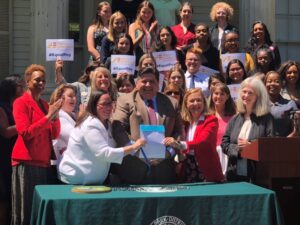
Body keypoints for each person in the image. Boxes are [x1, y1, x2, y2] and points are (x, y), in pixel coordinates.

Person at [111, 67, 182, 184]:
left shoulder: (172, 103)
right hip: (134, 167)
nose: (148, 85)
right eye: (144, 81)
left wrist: (169, 151)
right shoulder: (125, 100)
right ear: (137, 83)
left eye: (152, 81)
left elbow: (178, 132)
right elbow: (118, 128)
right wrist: (133, 149)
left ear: (158, 84)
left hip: (163, 168)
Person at [11, 64, 63, 225]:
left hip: (43, 162)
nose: (41, 83)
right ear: (28, 82)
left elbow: (54, 134)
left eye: (43, 81)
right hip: (26, 162)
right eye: (37, 80)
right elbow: (25, 132)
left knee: (38, 210)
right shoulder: (20, 103)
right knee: (25, 210)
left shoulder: (45, 105)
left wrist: (54, 117)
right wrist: (48, 117)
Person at [58, 91, 146, 185]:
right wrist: (134, 147)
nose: (109, 107)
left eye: (110, 103)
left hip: (92, 182)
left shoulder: (107, 124)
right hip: (75, 180)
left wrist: (136, 146)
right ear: (94, 105)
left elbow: (113, 148)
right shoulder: (90, 124)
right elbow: (104, 153)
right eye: (104, 104)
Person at [164, 88, 224, 182]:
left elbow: (203, 141)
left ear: (204, 102)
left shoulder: (211, 120)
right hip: (187, 166)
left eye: (199, 100)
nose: (196, 103)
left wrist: (179, 144)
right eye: (192, 101)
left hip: (205, 169)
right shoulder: (185, 123)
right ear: (186, 104)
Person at [221, 77, 273, 182]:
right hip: (233, 173)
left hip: (257, 174)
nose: (246, 95)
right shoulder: (235, 118)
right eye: (244, 92)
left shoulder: (267, 118)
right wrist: (238, 149)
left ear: (258, 96)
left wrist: (250, 147)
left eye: (250, 93)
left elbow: (271, 144)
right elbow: (224, 143)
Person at [0, 75, 25, 225]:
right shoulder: (1, 107)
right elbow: (6, 132)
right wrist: (25, 123)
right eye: (19, 85)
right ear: (10, 88)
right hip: (3, 156)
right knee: (3, 198)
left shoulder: (16, 105)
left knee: (11, 197)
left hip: (13, 156)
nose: (23, 87)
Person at [208, 83, 236, 175]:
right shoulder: (206, 115)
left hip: (227, 156)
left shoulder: (234, 116)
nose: (218, 96)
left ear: (227, 96)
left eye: (222, 94)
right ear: (212, 95)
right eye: (216, 93)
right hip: (210, 155)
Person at [264, 71, 299, 137]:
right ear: (264, 84)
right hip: (260, 145)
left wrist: (283, 143)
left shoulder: (290, 104)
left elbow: (296, 131)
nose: (272, 84)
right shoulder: (258, 104)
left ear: (282, 85)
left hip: (284, 144)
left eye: (277, 81)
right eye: (269, 81)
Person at [50, 84, 77, 164]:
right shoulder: (60, 117)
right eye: (70, 96)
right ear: (60, 99)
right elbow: (76, 137)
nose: (74, 98)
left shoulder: (74, 115)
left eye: (75, 96)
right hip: (64, 164)